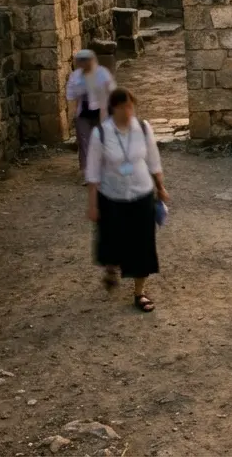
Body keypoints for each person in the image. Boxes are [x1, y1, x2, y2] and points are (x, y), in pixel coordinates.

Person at [86, 88, 169, 312]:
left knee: (143, 244)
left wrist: (160, 187)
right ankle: (112, 266)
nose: (128, 110)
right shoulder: (101, 134)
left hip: (141, 194)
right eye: (124, 106)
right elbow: (93, 173)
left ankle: (139, 293)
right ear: (114, 108)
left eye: (131, 106)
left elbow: (153, 160)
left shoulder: (143, 128)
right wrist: (93, 204)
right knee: (113, 241)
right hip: (112, 197)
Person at [66, 49, 116, 178]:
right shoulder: (76, 76)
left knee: (102, 139)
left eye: (85, 61)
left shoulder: (102, 73)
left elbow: (111, 90)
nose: (83, 64)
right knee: (84, 141)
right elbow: (71, 94)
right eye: (80, 61)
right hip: (83, 112)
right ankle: (86, 170)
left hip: (101, 111)